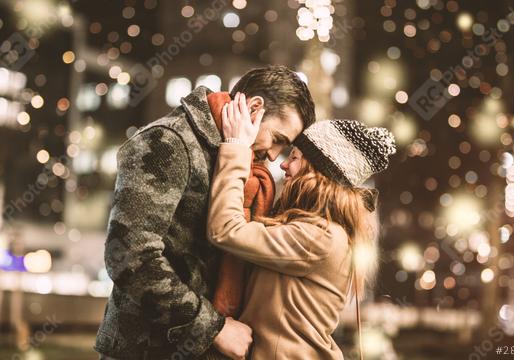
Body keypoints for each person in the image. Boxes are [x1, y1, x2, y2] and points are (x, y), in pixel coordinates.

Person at [94, 66, 315, 360]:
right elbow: (130, 257)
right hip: (148, 350)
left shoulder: (242, 162)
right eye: (278, 138)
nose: (275, 155)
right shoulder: (168, 140)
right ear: (254, 107)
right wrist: (213, 328)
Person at [207, 96, 396, 359]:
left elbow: (226, 229)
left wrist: (236, 146)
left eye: (294, 157)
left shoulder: (319, 237)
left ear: (316, 172)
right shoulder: (318, 229)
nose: (283, 163)